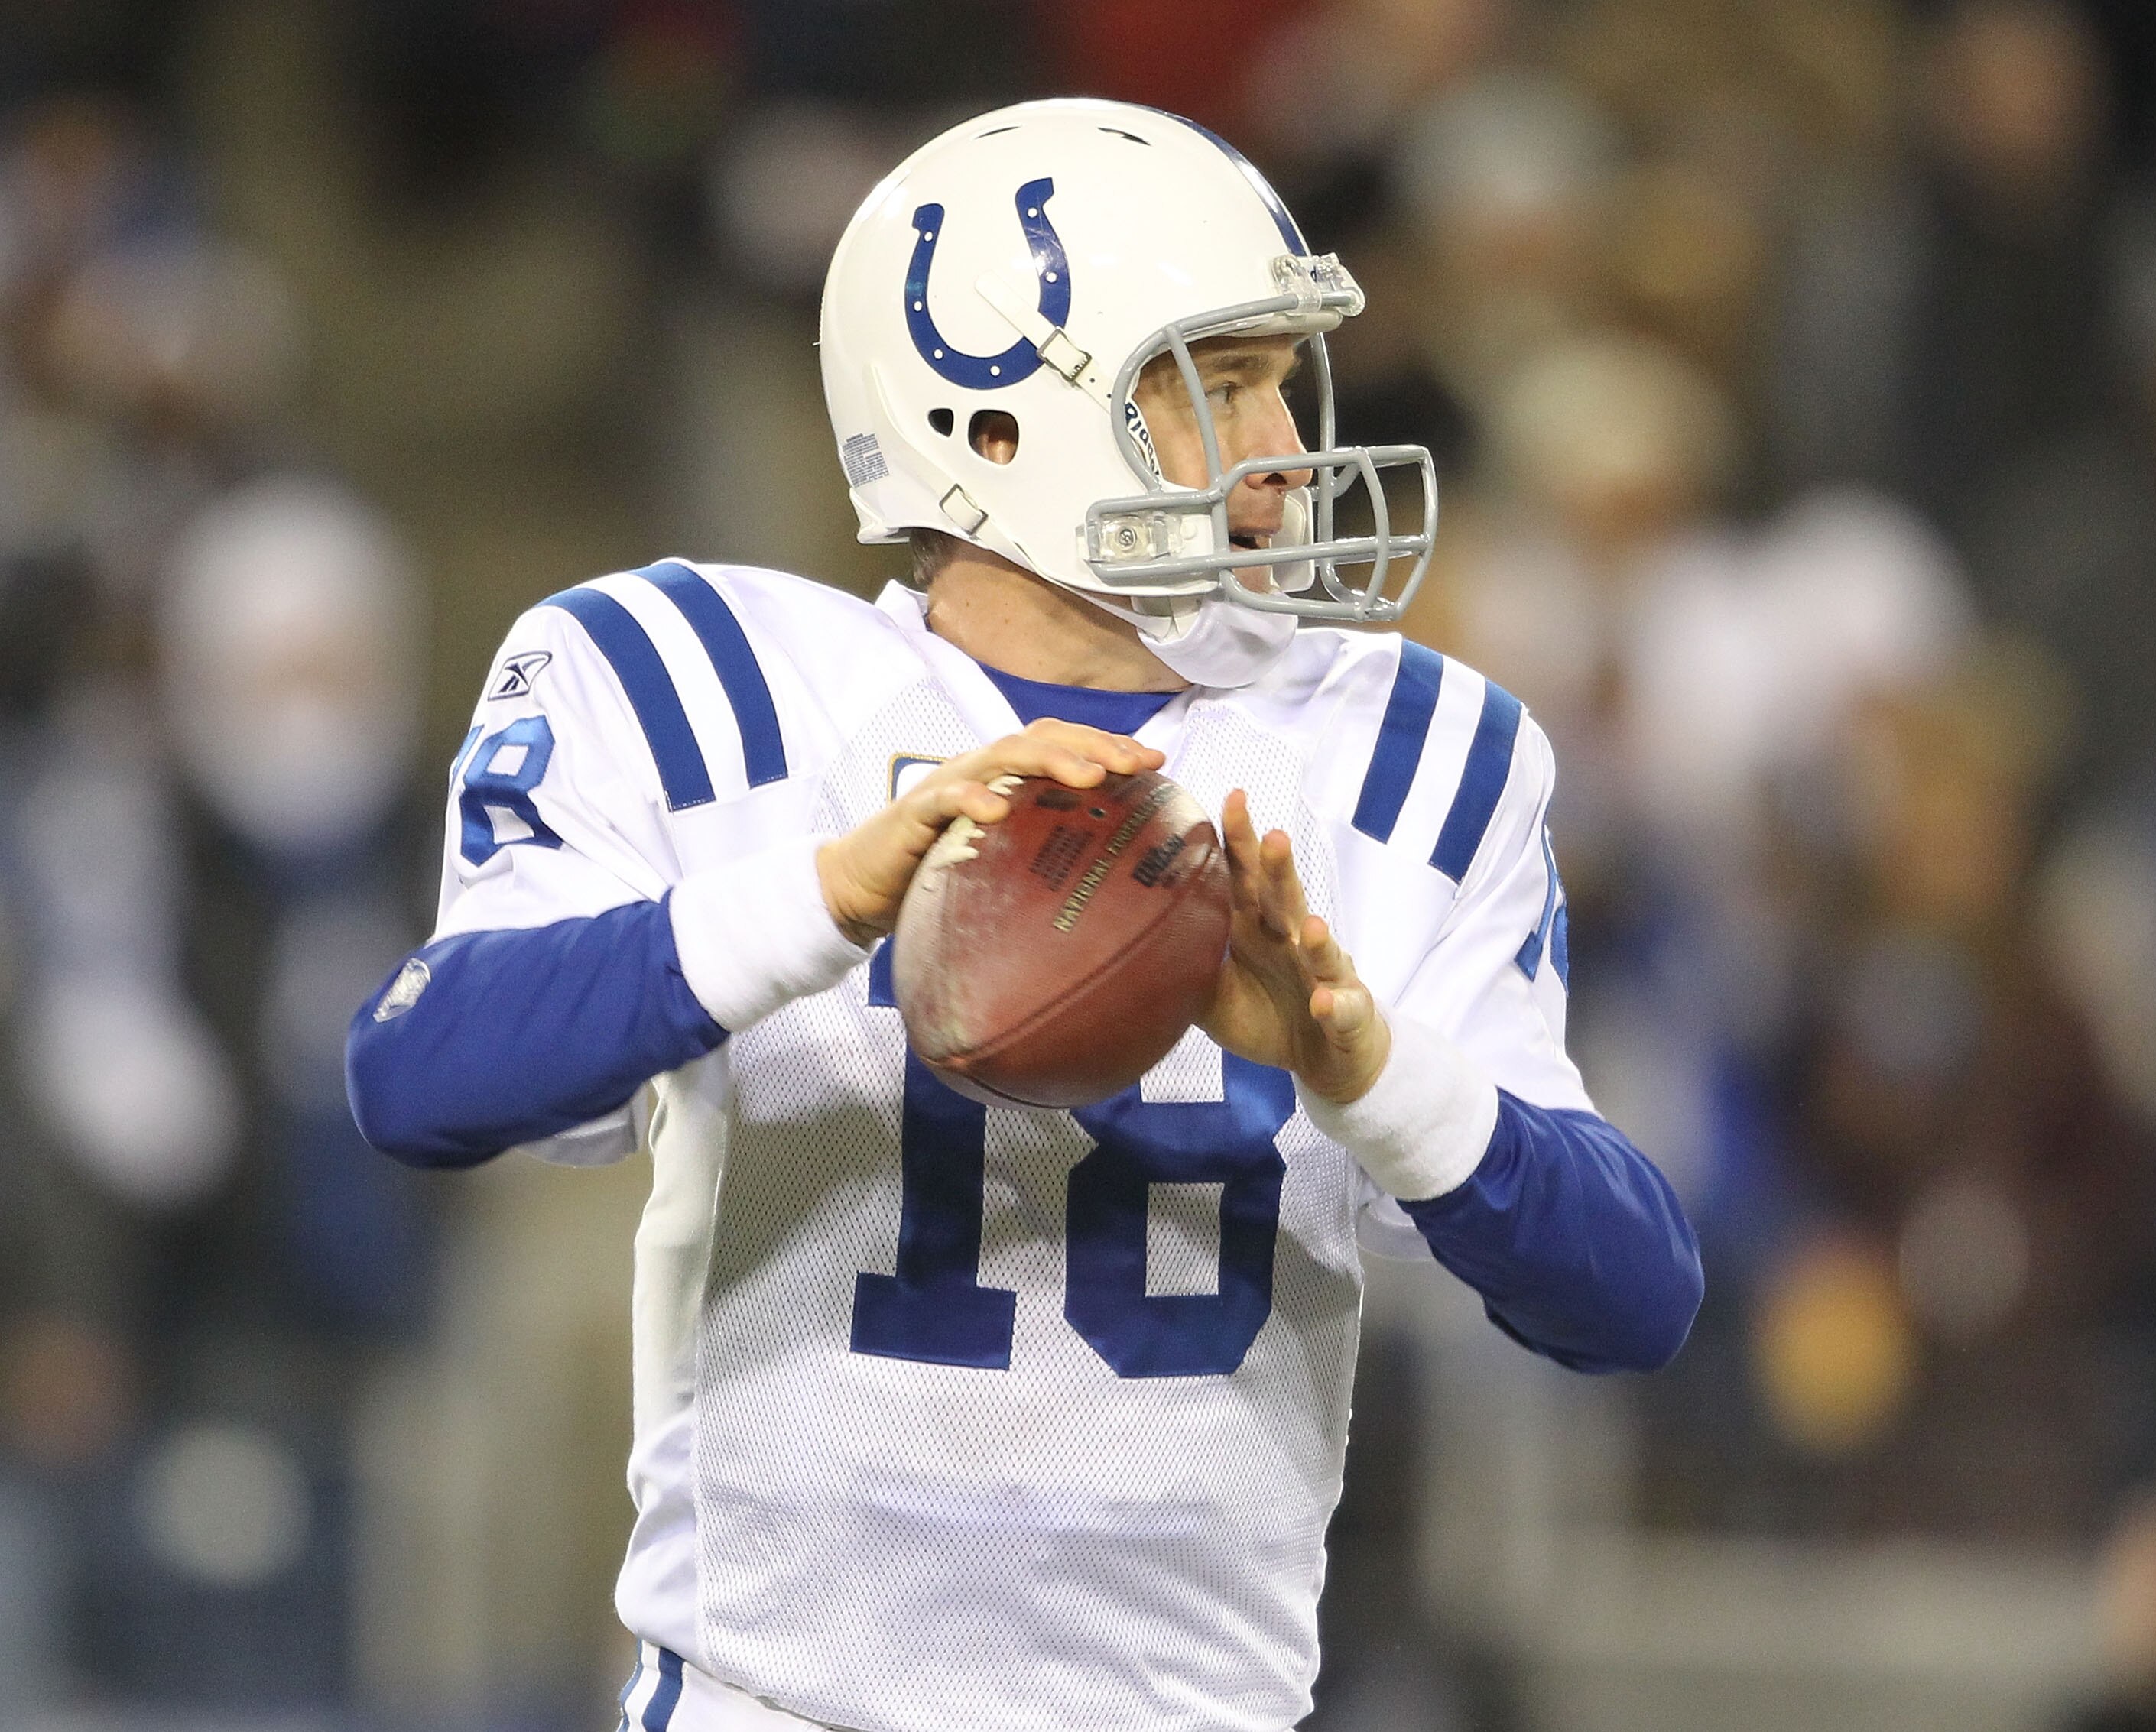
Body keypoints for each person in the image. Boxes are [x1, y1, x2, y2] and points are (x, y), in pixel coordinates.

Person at [345, 99, 1701, 1732]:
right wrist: (824, 898)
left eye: (1281, 376)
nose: (1280, 443)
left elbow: (1634, 1297)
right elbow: (416, 1078)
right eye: (1215, 384)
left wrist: (1368, 1069)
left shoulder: (1411, 753)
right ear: (995, 426)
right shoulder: (699, 684)